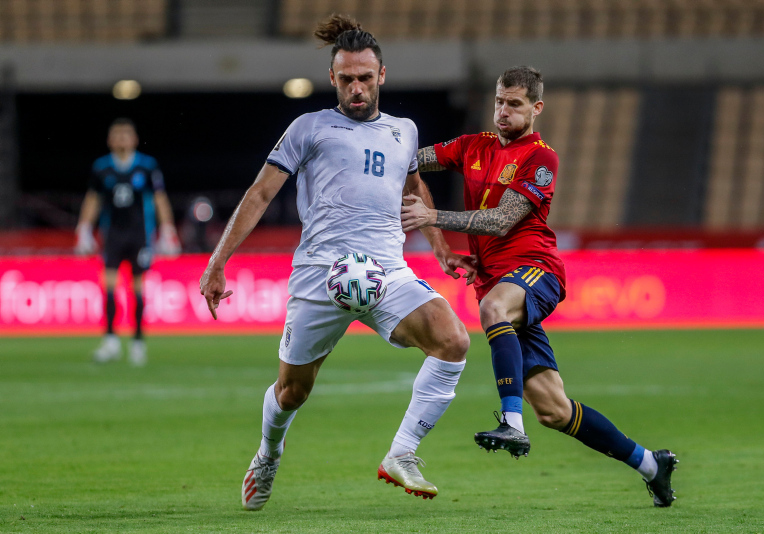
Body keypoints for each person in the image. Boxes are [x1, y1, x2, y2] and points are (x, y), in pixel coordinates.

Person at [199, 15, 473, 511]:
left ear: (382, 75)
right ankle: (268, 452)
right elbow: (260, 193)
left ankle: (402, 453)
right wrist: (218, 262)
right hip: (320, 276)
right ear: (333, 79)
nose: (356, 87)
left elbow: (414, 191)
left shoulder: (404, 132)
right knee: (291, 393)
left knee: (453, 341)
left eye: (365, 77)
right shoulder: (309, 128)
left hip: (386, 272)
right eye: (346, 78)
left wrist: (439, 245)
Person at [401, 66, 678, 507]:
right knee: (554, 409)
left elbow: (500, 220)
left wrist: (432, 217)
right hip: (498, 281)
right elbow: (411, 159)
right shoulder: (474, 147)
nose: (503, 111)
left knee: (492, 310)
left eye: (514, 103)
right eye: (499, 101)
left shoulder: (540, 158)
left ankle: (511, 422)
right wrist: (375, 146)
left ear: (536, 108)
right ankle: (650, 464)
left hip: (536, 270)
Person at [75, 118, 181, 366]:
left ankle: (137, 341)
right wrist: (84, 229)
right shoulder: (101, 168)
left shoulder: (146, 166)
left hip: (139, 235)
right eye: (117, 134)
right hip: (112, 234)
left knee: (137, 288)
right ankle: (111, 340)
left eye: (126, 134)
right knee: (109, 285)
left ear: (134, 139)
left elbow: (159, 198)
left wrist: (167, 230)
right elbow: (93, 199)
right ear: (110, 140)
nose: (122, 138)